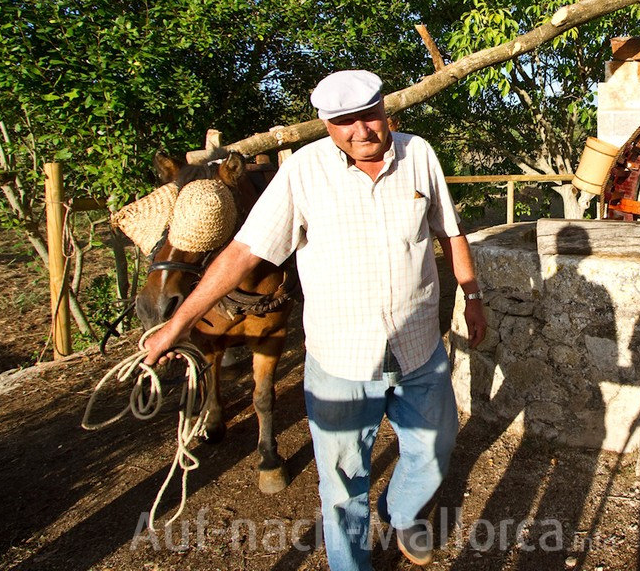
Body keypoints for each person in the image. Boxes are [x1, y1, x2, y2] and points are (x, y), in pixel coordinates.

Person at [144, 69, 487, 569]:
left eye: (369, 116)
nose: (360, 131)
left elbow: (450, 231)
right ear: (326, 124)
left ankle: (402, 511)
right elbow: (243, 251)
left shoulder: (420, 154)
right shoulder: (302, 171)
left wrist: (472, 295)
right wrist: (176, 326)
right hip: (341, 358)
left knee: (435, 449)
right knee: (343, 483)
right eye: (343, 122)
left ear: (385, 110)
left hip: (417, 348)